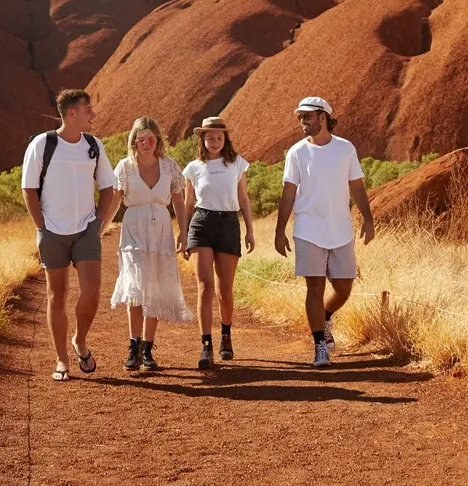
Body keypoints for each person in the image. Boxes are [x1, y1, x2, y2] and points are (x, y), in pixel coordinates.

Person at [272, 97, 375, 368]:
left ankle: (325, 317)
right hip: (308, 228)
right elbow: (288, 192)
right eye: (300, 117)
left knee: (343, 287)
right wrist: (280, 230)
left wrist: (368, 218)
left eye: (307, 116)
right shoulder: (296, 152)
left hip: (340, 228)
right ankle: (320, 346)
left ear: (323, 117)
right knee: (314, 287)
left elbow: (357, 185)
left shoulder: (345, 148)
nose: (302, 121)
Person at [21, 89, 116, 381]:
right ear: (71, 113)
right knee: (57, 295)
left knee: (91, 292)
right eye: (88, 109)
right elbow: (29, 189)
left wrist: (97, 224)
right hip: (52, 231)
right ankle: (62, 360)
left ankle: (80, 340)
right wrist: (42, 226)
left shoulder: (94, 145)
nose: (94, 115)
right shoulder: (43, 144)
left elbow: (109, 188)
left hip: (86, 229)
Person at [109, 117, 193, 371]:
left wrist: (184, 232)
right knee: (136, 287)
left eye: (151, 139)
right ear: (134, 141)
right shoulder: (125, 167)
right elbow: (114, 202)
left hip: (161, 233)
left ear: (158, 141)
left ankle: (147, 349)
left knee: (154, 287)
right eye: (141, 139)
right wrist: (100, 229)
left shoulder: (169, 167)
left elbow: (178, 201)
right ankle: (133, 347)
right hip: (133, 230)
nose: (146, 143)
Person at [180, 117, 256, 369]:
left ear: (225, 140)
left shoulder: (236, 164)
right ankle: (206, 345)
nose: (215, 141)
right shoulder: (193, 167)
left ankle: (225, 335)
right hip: (201, 223)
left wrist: (249, 231)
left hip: (228, 224)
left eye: (219, 137)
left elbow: (243, 199)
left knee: (225, 291)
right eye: (210, 137)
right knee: (205, 286)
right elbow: (188, 203)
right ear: (202, 139)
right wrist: (183, 233)